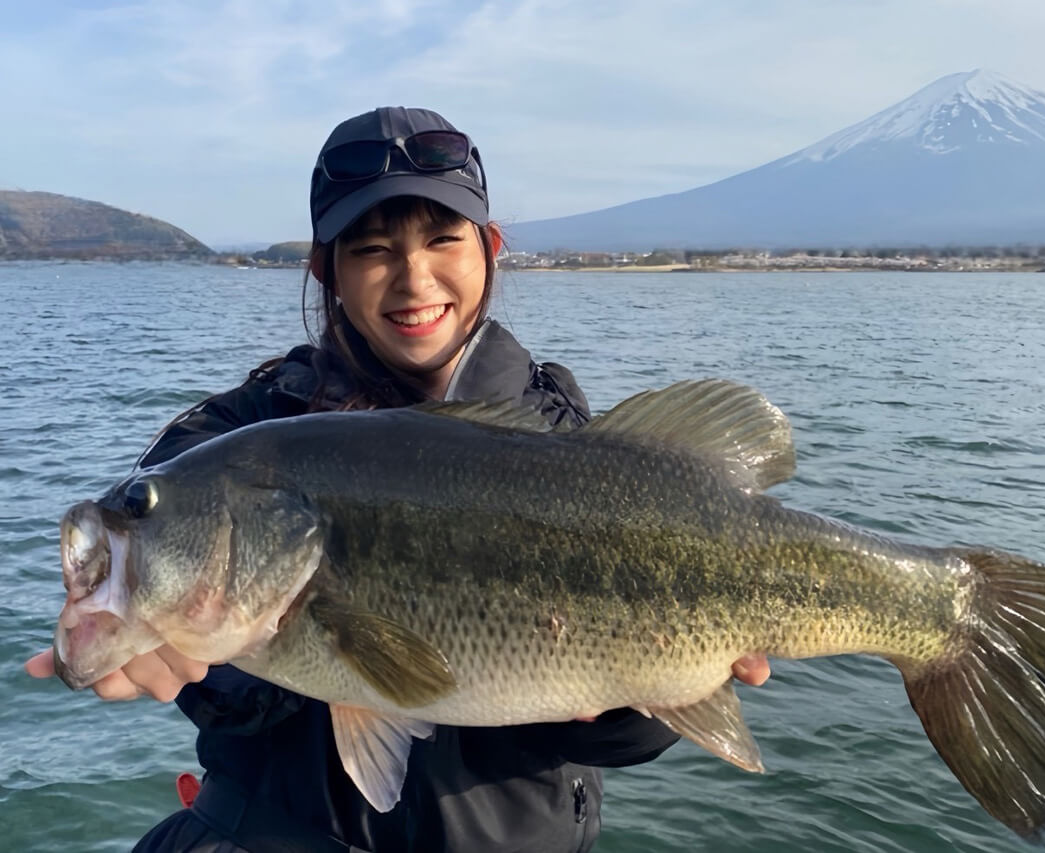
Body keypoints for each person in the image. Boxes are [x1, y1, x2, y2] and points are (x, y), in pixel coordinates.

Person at [25, 106, 770, 852]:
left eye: (444, 239)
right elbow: (210, 667)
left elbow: (621, 745)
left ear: (490, 250)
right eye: (375, 250)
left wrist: (640, 700)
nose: (414, 278)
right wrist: (180, 657)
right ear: (330, 271)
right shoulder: (229, 442)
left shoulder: (573, 443)